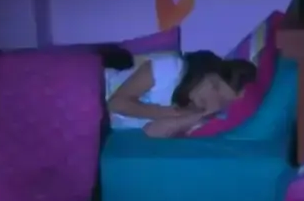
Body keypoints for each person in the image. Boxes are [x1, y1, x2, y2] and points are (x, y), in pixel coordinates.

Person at [102, 47, 256, 137]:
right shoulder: (172, 69)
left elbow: (151, 132)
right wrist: (164, 112)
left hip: (103, 131)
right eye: (215, 87)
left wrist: (192, 118)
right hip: (97, 93)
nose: (212, 99)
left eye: (222, 102)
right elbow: (115, 104)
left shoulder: (196, 116)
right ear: (207, 71)